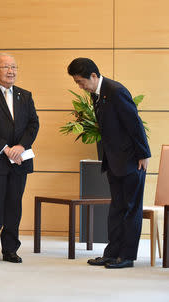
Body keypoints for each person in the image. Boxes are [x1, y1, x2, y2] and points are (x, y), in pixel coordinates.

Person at [67, 57, 151, 269]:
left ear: (93, 76)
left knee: (130, 209)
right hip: (115, 160)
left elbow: (134, 124)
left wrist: (143, 154)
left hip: (132, 160)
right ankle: (111, 253)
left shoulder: (116, 91)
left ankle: (127, 256)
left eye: (80, 81)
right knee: (116, 209)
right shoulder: (98, 94)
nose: (80, 86)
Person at [0, 53, 39, 264]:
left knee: (14, 205)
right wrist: (5, 148)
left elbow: (33, 124)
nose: (11, 71)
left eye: (14, 67)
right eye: (6, 67)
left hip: (20, 160)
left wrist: (20, 147)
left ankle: (10, 249)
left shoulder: (25, 95)